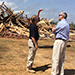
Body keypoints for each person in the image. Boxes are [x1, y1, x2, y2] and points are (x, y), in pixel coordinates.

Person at [26, 9, 43, 73]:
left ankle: (30, 66)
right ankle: (28, 68)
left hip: (33, 42)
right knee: (31, 55)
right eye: (37, 19)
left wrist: (38, 12)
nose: (38, 19)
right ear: (35, 20)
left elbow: (36, 17)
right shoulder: (33, 27)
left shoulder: (33, 24)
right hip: (32, 42)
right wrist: (35, 45)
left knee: (32, 55)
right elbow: (33, 37)